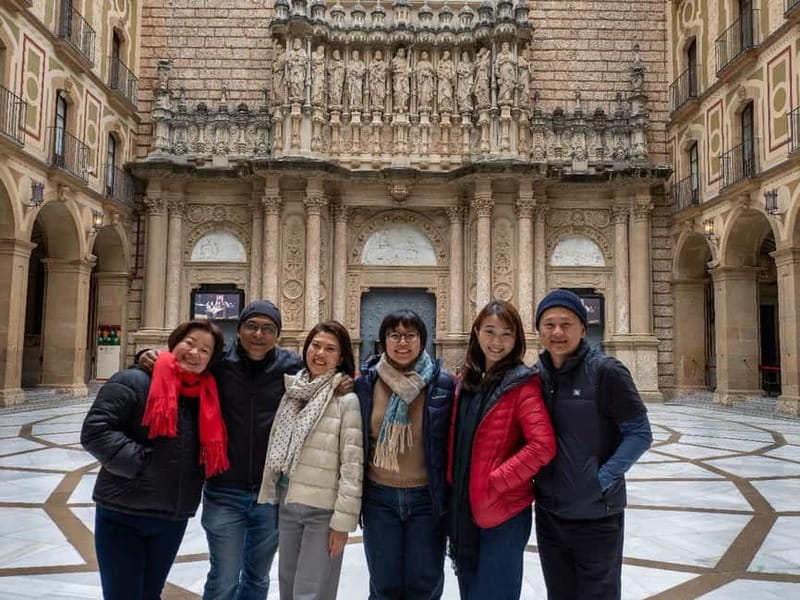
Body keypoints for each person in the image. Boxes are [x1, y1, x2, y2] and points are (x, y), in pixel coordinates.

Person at [139, 300, 304, 600]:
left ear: (277, 334)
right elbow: (181, 365)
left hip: (271, 493)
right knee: (224, 575)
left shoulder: (291, 366)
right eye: (251, 326)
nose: (258, 334)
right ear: (238, 329)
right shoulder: (219, 361)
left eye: (268, 328)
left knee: (257, 576)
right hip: (224, 489)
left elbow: (325, 382)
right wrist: (146, 356)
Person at [81, 319, 228, 600]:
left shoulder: (207, 395)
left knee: (151, 593)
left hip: (171, 517)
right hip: (124, 511)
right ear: (174, 342)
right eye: (190, 343)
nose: (195, 353)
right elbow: (95, 431)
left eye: (205, 350)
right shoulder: (133, 380)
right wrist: (142, 464)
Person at [533, 289, 653, 600]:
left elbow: (640, 433)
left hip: (597, 516)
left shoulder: (607, 372)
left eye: (566, 323)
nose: (557, 332)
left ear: (583, 329)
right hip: (549, 513)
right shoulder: (535, 377)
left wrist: (599, 481)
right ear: (538, 330)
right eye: (549, 324)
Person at [447, 300, 556, 600]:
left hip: (503, 512)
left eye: (506, 334)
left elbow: (542, 445)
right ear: (476, 333)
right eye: (490, 331)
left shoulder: (523, 384)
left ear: (517, 339)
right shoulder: (467, 382)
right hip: (465, 510)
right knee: (470, 590)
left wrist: (497, 481)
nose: (496, 342)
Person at [354, 310, 455, 600]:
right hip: (379, 499)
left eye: (410, 335)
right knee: (384, 585)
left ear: (422, 341)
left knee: (424, 584)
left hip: (426, 500)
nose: (402, 342)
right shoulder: (366, 384)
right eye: (394, 335)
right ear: (383, 340)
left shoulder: (442, 384)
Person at [258, 320, 363, 600]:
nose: (320, 354)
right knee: (288, 588)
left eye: (330, 349)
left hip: (322, 511)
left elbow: (352, 466)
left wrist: (342, 524)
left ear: (341, 357)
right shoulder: (293, 390)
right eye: (316, 345)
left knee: (312, 591)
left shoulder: (346, 399)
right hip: (288, 500)